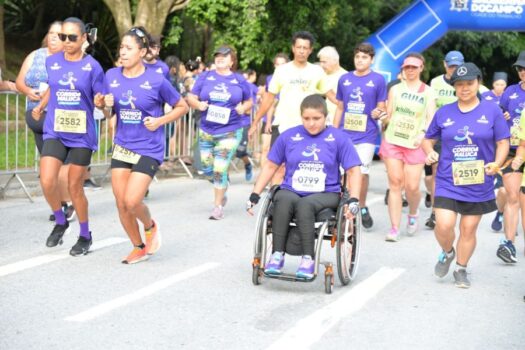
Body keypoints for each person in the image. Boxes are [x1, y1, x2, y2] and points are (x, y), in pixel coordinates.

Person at [247, 94, 362, 278]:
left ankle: (308, 259)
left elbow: (354, 171)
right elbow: (270, 166)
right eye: (307, 119)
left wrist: (354, 200)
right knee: (282, 198)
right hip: (292, 189)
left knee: (305, 204)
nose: (311, 123)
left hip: (326, 193)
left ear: (326, 117)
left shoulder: (338, 138)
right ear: (301, 117)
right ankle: (277, 255)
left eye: (316, 118)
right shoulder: (289, 136)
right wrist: (255, 194)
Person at [103, 27, 188, 264]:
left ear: (141, 52)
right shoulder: (111, 76)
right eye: (121, 47)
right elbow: (106, 109)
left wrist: (160, 120)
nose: (123, 52)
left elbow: (182, 106)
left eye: (128, 48)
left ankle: (150, 227)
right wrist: (103, 104)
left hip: (149, 147)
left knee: (132, 201)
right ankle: (138, 246)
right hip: (123, 144)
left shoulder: (156, 79)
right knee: (121, 203)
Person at [422, 62, 509, 288]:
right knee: (443, 224)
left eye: (469, 83)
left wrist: (497, 163)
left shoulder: (492, 111)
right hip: (447, 179)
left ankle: (461, 268)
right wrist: (430, 151)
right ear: (454, 87)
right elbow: (427, 139)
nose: (465, 88)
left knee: (468, 228)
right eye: (459, 85)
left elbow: (502, 142)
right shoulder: (444, 112)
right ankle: (448, 251)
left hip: (478, 180)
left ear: (478, 82)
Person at [32, 17, 106, 255]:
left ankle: (85, 236)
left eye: (72, 37)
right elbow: (54, 86)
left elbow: (102, 100)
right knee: (46, 179)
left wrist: (101, 102)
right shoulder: (52, 62)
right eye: (62, 36)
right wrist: (41, 105)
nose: (66, 41)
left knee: (75, 187)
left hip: (81, 135)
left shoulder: (93, 66)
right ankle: (60, 221)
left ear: (84, 38)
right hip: (56, 129)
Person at [15, 21, 75, 221]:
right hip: (35, 115)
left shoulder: (68, 59)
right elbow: (19, 81)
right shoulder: (35, 55)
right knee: (47, 162)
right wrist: (28, 91)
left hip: (57, 116)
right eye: (50, 33)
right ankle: (61, 203)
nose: (53, 37)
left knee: (55, 162)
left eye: (58, 35)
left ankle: (68, 202)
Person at [249, 31, 325, 185]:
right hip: (283, 124)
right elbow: (269, 98)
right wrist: (255, 121)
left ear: (310, 50)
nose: (302, 51)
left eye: (305, 48)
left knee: (303, 166)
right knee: (278, 166)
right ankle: (275, 203)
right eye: (299, 47)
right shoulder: (282, 70)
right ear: (293, 48)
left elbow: (329, 96)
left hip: (308, 126)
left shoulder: (317, 71)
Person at [187, 45, 252, 220]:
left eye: (225, 56)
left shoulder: (239, 80)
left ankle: (218, 206)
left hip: (230, 130)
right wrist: (198, 104)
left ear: (232, 61)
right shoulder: (205, 77)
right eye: (217, 56)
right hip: (207, 130)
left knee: (219, 168)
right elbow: (191, 97)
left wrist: (242, 108)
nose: (220, 58)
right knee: (207, 169)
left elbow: (249, 101)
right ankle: (221, 184)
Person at [380, 53, 436, 241]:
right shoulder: (395, 90)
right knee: (396, 183)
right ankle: (394, 227)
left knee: (412, 186)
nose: (410, 70)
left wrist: (423, 136)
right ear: (403, 69)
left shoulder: (427, 91)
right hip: (393, 140)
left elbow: (431, 119)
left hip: (415, 144)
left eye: (414, 67)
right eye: (407, 67)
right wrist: (380, 116)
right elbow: (388, 114)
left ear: (421, 68)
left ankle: (413, 213)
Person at [332, 42, 387, 230]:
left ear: (371, 60)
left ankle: (360, 205)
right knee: (342, 173)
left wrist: (378, 112)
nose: (360, 60)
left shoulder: (378, 80)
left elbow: (383, 107)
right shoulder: (344, 79)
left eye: (364, 57)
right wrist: (333, 130)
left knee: (361, 174)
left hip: (367, 135)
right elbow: (340, 106)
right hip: (344, 133)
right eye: (357, 57)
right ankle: (343, 207)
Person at [425, 50, 465, 229]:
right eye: (451, 66)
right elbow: (430, 107)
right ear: (444, 65)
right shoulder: (435, 82)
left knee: (460, 171)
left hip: (462, 134)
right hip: (441, 132)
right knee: (437, 172)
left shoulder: (469, 83)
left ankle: (458, 204)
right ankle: (436, 210)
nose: (453, 69)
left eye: (457, 66)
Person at [497, 51, 525, 263]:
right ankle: (509, 244)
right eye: (521, 69)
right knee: (512, 195)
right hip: (514, 150)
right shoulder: (510, 92)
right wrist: (503, 116)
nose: (523, 72)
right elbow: (499, 114)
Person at [483, 72, 508, 232]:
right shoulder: (485, 96)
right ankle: (501, 212)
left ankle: (505, 214)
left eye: (502, 85)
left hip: (510, 144)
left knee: (509, 189)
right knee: (503, 188)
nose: (500, 87)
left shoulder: (508, 97)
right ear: (492, 84)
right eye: (497, 84)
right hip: (489, 142)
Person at [260, 53, 289, 171]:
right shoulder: (270, 78)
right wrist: (267, 122)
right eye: (277, 64)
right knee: (266, 148)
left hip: (285, 118)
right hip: (269, 118)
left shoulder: (292, 78)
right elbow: (268, 100)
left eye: (282, 64)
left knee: (284, 151)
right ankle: (264, 177)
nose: (280, 67)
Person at [236, 69, 258, 181]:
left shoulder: (247, 89)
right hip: (231, 124)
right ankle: (222, 177)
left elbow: (249, 109)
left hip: (244, 123)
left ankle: (247, 164)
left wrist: (242, 108)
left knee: (239, 150)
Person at [317, 46, 347, 125]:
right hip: (323, 122)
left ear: (335, 60)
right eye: (320, 62)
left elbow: (347, 103)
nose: (321, 65)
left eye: (324, 62)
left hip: (338, 123)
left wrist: (329, 93)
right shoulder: (321, 75)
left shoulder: (346, 77)